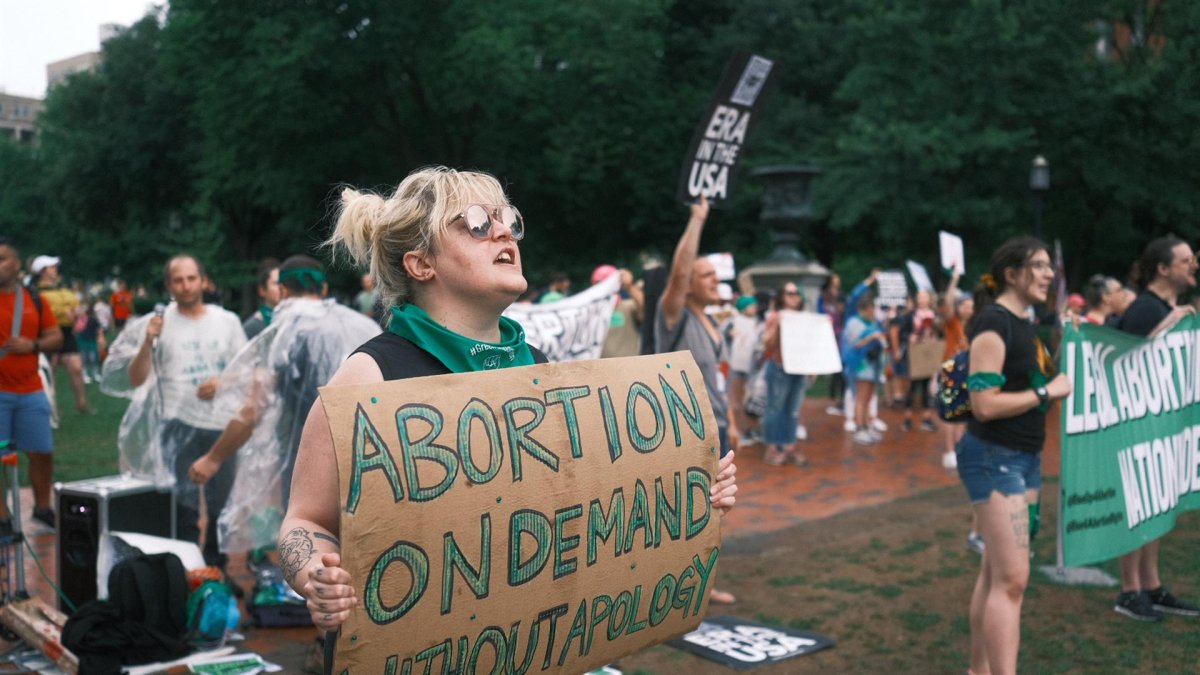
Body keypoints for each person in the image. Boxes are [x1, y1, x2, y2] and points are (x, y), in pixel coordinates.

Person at [275, 168, 738, 659]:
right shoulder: (369, 378)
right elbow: (302, 521)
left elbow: (580, 506)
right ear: (421, 263)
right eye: (475, 223)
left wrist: (683, 499)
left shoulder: (539, 368)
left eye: (507, 219)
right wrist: (316, 576)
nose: (502, 232)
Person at [188, 255, 380, 554]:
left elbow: (254, 407)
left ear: (283, 292)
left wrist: (213, 458)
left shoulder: (286, 331)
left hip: (313, 463)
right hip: (374, 458)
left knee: (317, 550)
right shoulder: (364, 326)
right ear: (325, 288)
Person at [956, 237, 1070, 675]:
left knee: (995, 572)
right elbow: (984, 404)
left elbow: (1031, 380)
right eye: (1038, 266)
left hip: (1024, 458)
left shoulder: (1024, 322)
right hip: (993, 457)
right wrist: (1046, 391)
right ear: (1012, 274)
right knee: (1013, 580)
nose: (1048, 275)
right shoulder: (993, 323)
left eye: (1048, 267)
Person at [103, 254, 247, 565]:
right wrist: (147, 342)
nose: (185, 285)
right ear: (169, 285)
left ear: (203, 280)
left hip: (221, 426)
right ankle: (187, 569)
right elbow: (135, 378)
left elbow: (245, 370)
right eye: (178, 280)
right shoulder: (157, 324)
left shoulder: (228, 321)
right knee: (183, 507)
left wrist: (222, 382)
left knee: (221, 505)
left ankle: (216, 570)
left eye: (191, 278)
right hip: (176, 424)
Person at [653, 194, 739, 605]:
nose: (713, 281)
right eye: (704, 275)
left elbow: (720, 379)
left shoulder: (713, 321)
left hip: (718, 429)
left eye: (714, 276)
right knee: (686, 511)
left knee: (716, 509)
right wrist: (698, 219)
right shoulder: (674, 315)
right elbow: (678, 273)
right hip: (684, 434)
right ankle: (674, 589)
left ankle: (703, 584)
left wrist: (733, 421)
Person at [1111, 235, 1199, 621]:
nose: (1193, 264)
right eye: (1185, 261)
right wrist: (1170, 323)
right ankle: (1129, 590)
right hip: (1138, 427)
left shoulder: (1167, 307)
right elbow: (1125, 362)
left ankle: (1151, 585)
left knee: (1156, 506)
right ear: (1163, 269)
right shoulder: (1146, 309)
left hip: (1161, 424)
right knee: (1138, 506)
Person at [0, 239, 63, 532]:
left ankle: (42, 507)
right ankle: (2, 518)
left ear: (16, 264)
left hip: (31, 389)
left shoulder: (33, 299)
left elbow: (56, 337)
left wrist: (32, 344)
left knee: (42, 451)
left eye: (2, 259)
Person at [31, 256, 91, 415]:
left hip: (66, 331)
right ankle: (51, 407)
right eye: (51, 267)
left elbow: (75, 304)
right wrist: (64, 311)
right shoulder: (36, 292)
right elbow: (46, 310)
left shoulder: (63, 289)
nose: (55, 269)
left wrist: (74, 313)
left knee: (76, 367)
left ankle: (82, 403)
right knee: (50, 371)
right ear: (42, 271)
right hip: (47, 332)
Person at [761, 282, 810, 466]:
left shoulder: (805, 318)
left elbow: (810, 345)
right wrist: (778, 327)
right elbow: (767, 345)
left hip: (798, 369)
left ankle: (789, 445)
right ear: (782, 296)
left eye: (797, 293)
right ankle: (773, 447)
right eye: (790, 293)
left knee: (793, 410)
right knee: (775, 408)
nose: (794, 296)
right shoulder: (774, 317)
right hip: (779, 367)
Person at [843, 294, 888, 445]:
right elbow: (855, 344)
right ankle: (859, 428)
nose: (874, 311)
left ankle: (867, 426)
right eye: (872, 308)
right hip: (861, 365)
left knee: (869, 397)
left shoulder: (874, 322)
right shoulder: (854, 322)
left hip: (874, 365)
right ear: (866, 309)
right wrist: (872, 337)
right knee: (861, 398)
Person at [593, 265, 645, 358]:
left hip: (629, 366)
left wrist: (629, 286)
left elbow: (645, 308)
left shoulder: (628, 306)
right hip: (602, 368)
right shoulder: (592, 312)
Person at [242, 261, 281, 340]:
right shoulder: (252, 327)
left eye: (284, 282)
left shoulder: (296, 321)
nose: (281, 287)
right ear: (262, 290)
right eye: (276, 283)